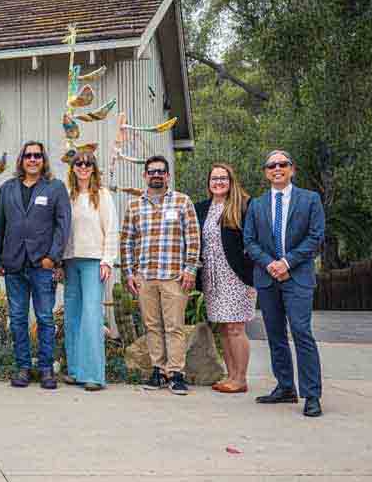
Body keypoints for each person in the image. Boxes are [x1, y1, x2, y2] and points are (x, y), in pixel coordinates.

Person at [244, 150, 325, 417]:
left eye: (282, 164)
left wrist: (287, 263)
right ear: (266, 172)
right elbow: (250, 241)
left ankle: (311, 395)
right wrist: (270, 264)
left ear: (292, 169)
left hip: (298, 277)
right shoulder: (256, 205)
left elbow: (315, 237)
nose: (277, 168)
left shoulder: (310, 200)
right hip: (267, 279)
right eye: (271, 165)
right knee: (276, 335)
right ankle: (285, 387)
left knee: (301, 332)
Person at [0, 141, 71, 389]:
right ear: (21, 160)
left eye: (38, 155)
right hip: (13, 264)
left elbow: (63, 226)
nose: (33, 160)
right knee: (17, 319)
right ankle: (23, 368)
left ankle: (46, 369)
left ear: (43, 159)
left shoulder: (55, 188)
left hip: (42, 264)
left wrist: (53, 257)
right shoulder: (7, 189)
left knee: (45, 318)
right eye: (28, 156)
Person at [120, 155, 200, 395]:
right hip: (145, 276)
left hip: (174, 276)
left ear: (167, 175)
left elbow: (193, 238)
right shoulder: (135, 206)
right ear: (145, 176)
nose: (156, 175)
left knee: (174, 326)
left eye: (161, 171)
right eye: (152, 171)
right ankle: (158, 370)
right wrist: (129, 273)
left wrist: (190, 269)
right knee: (152, 325)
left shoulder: (182, 202)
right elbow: (126, 241)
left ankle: (176, 373)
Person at [194, 163, 255, 394]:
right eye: (214, 178)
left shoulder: (244, 206)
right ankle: (231, 376)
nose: (218, 182)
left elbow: (252, 242)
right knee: (223, 326)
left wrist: (251, 274)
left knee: (236, 327)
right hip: (212, 275)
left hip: (236, 275)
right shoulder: (203, 208)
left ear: (231, 181)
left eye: (223, 178)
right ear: (208, 183)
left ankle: (240, 378)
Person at [62, 150, 118, 392]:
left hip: (94, 261)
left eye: (88, 164)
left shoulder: (103, 196)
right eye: (78, 164)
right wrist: (57, 262)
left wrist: (107, 260)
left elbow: (112, 229)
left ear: (94, 168)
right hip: (70, 261)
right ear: (73, 168)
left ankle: (94, 374)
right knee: (72, 315)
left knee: (92, 316)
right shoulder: (67, 195)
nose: (83, 167)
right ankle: (75, 370)